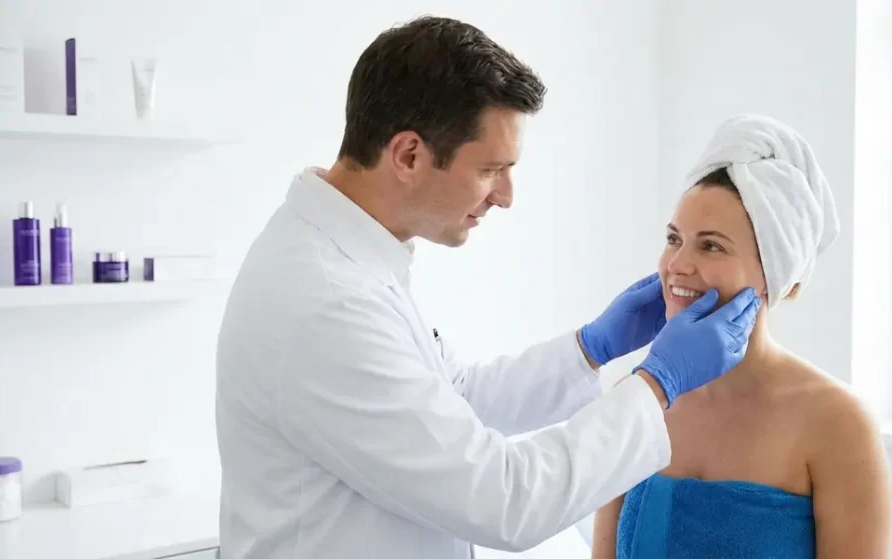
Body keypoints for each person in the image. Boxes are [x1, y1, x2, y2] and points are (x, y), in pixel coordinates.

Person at [214, 15, 762, 559]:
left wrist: (591, 348)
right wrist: (657, 384)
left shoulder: (352, 260)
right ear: (408, 154)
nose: (505, 196)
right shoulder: (327, 302)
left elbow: (454, 399)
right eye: (490, 170)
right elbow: (506, 502)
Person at [590, 114, 892, 559]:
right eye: (674, 239)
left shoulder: (838, 425)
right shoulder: (636, 399)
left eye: (710, 245)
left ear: (773, 272)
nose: (677, 263)